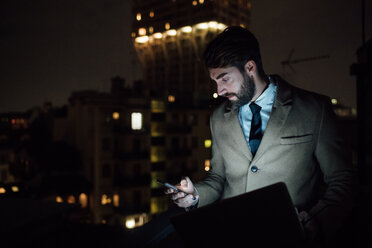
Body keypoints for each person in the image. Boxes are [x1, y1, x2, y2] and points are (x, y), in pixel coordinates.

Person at [133, 26, 356, 247]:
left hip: (289, 238)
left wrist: (317, 220)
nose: (219, 90)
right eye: (215, 81)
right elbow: (218, 178)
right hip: (230, 237)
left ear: (250, 67)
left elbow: (342, 180)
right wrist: (195, 195)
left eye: (224, 79)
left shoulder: (314, 109)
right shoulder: (218, 117)